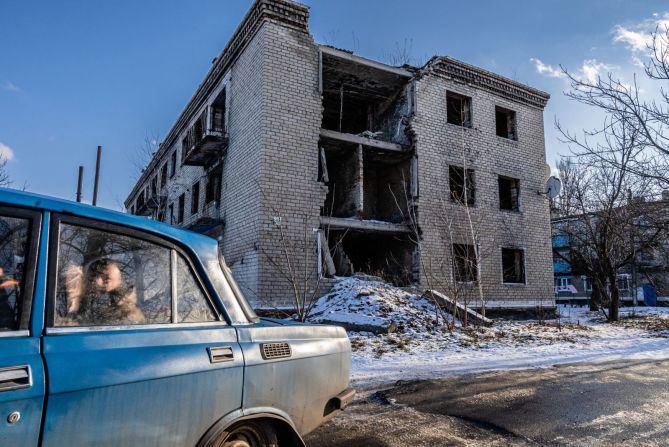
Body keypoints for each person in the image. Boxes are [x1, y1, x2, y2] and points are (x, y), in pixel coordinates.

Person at [65, 258, 145, 325]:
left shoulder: (126, 315)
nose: (96, 281)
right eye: (93, 276)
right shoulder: (72, 300)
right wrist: (74, 300)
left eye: (106, 279)